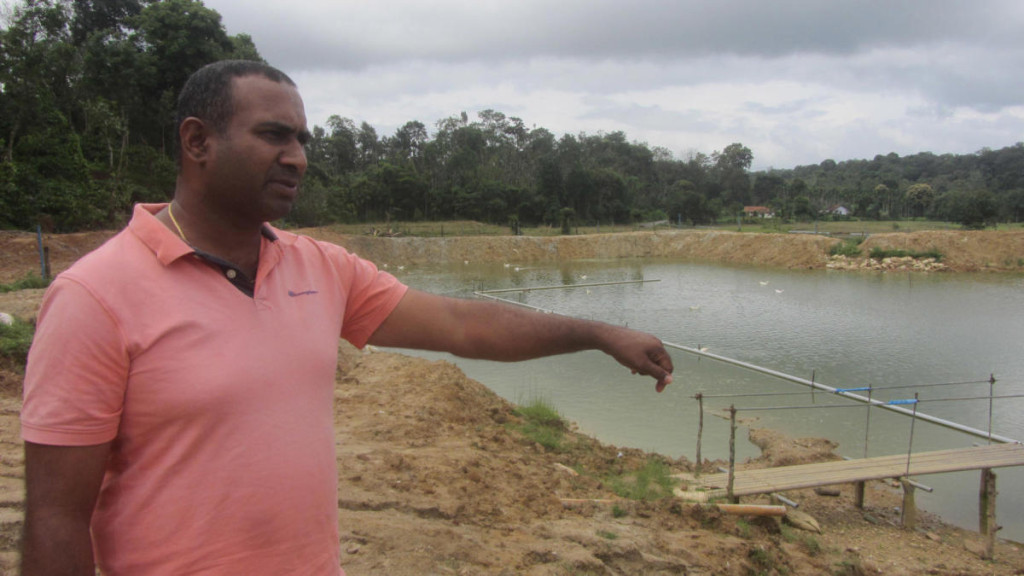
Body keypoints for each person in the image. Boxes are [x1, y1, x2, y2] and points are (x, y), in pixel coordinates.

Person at [19, 60, 674, 576]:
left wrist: (596, 333)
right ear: (198, 141)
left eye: (302, 138)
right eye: (273, 135)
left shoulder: (319, 269)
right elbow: (54, 519)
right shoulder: (95, 297)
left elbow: (459, 324)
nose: (298, 156)